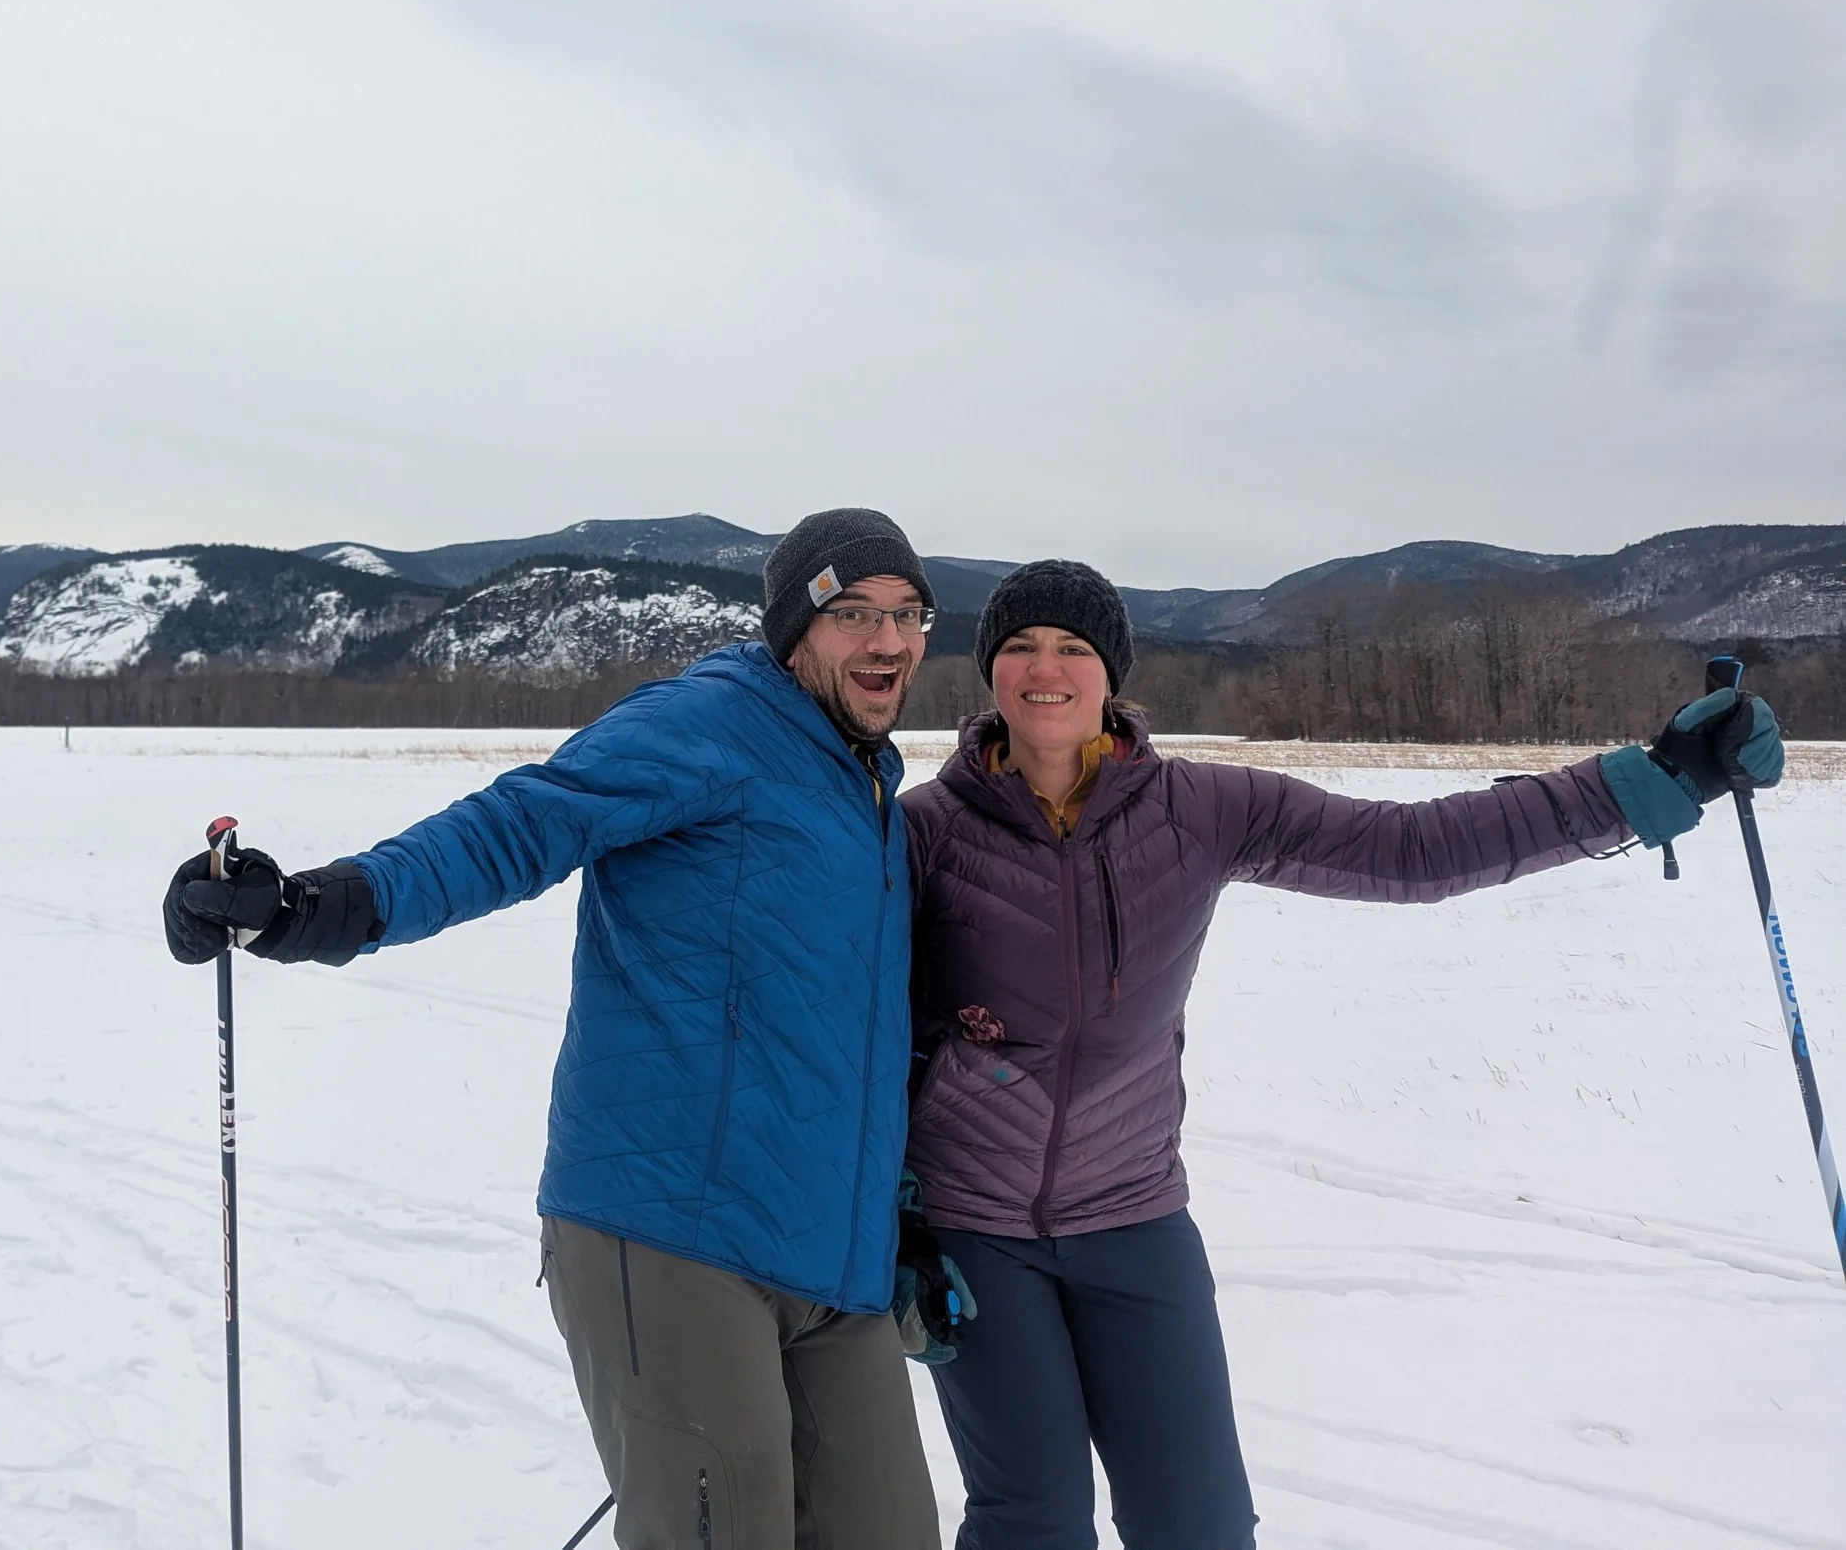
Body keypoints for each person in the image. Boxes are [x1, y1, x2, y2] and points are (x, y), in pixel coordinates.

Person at [901, 559, 1784, 1550]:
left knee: (1198, 1522)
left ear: (1111, 674)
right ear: (989, 668)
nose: (1044, 669)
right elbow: (839, 1018)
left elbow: (1410, 849)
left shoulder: (1199, 807)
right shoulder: (923, 833)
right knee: (1032, 1520)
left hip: (1134, 1215)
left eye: (1072, 648)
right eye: (1020, 647)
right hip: (974, 1229)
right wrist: (888, 1216)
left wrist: (1651, 782)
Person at [164, 508, 949, 1550]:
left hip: (833, 1264)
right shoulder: (709, 724)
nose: (887, 640)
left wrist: (894, 1211)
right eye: (853, 613)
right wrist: (328, 904)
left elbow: (856, 1028)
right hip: (675, 1230)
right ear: (793, 631)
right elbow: (523, 821)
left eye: (907, 614)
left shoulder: (869, 785)